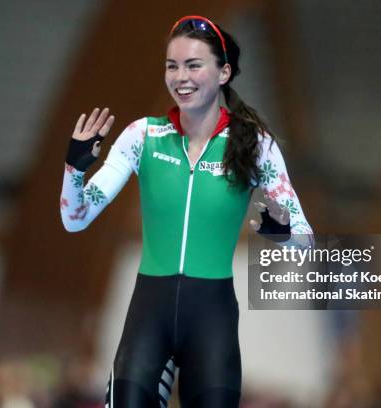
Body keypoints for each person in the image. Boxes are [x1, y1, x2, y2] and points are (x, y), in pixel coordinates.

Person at [59, 15, 314, 408]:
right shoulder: (142, 136)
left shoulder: (253, 144)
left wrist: (280, 231)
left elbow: (305, 242)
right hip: (149, 313)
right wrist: (75, 168)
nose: (182, 76)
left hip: (211, 318)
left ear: (224, 72)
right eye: (172, 65)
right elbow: (75, 219)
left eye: (194, 65)